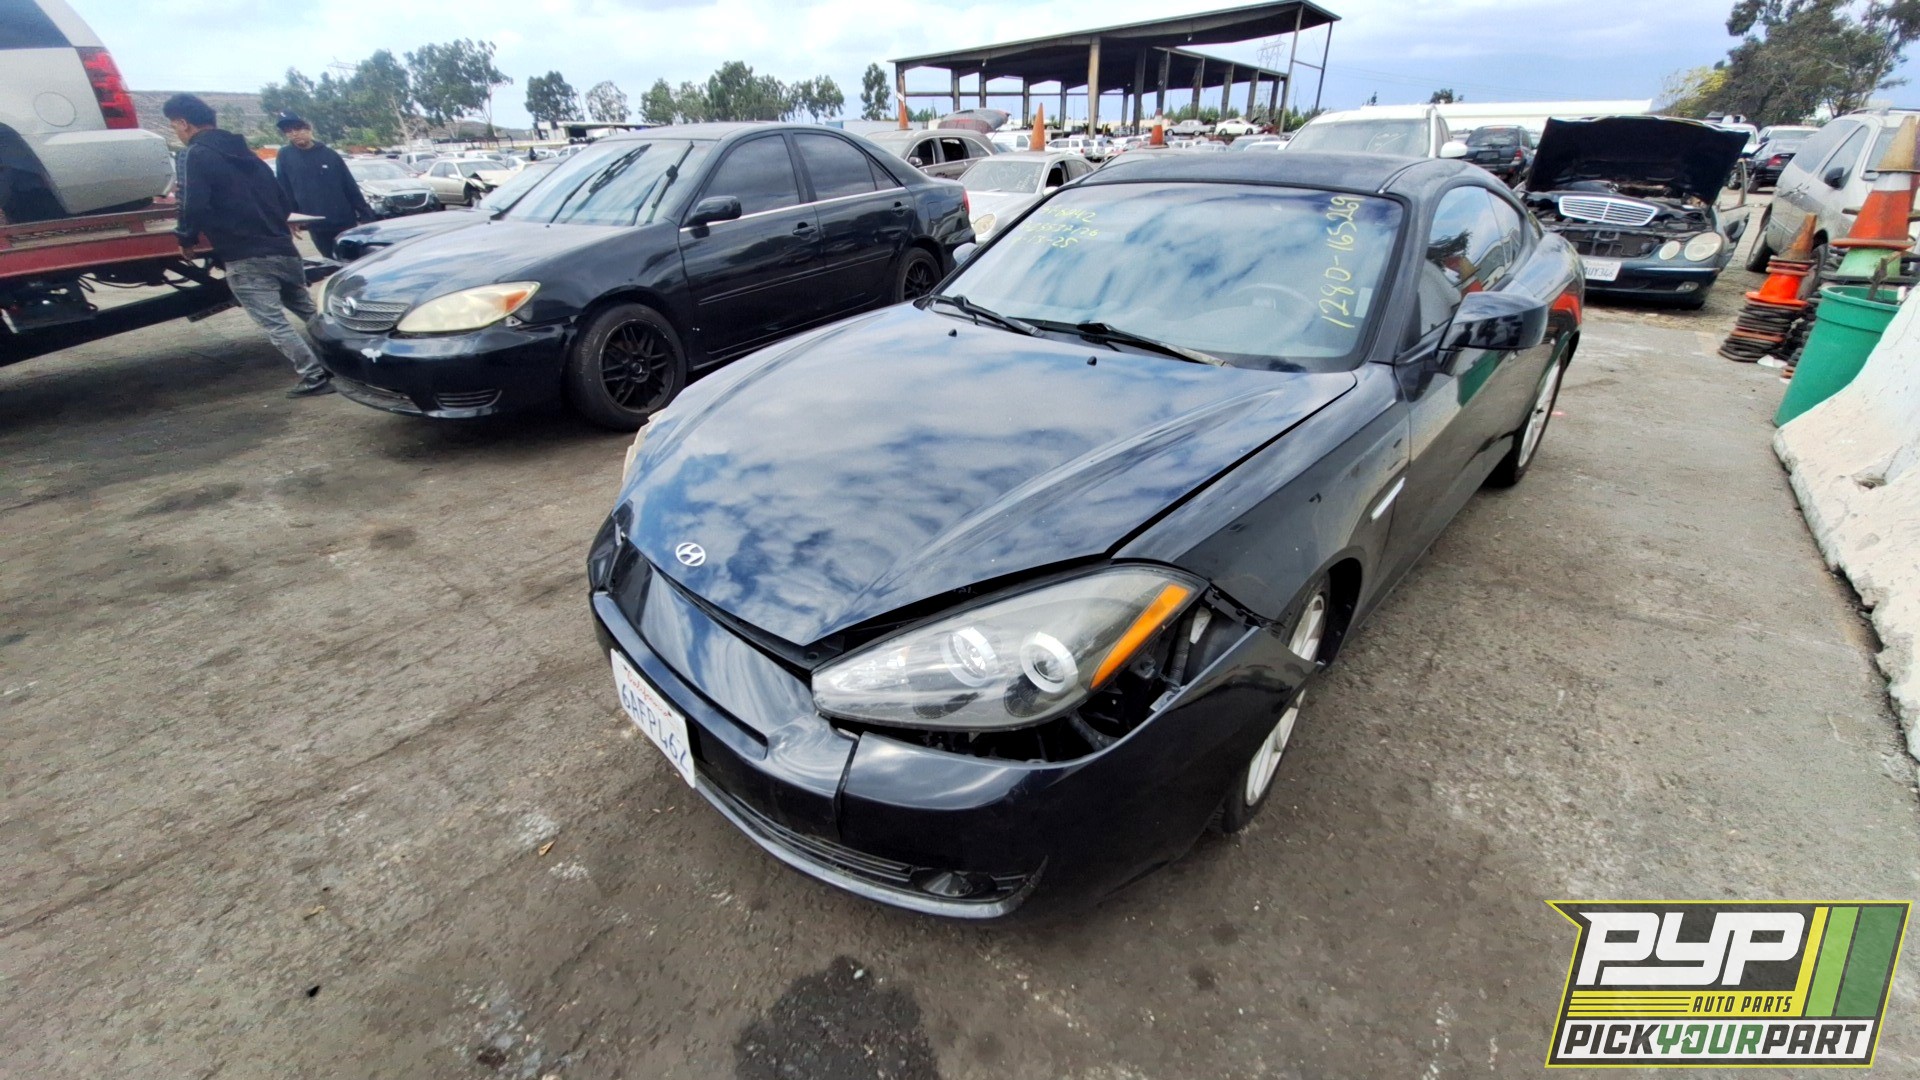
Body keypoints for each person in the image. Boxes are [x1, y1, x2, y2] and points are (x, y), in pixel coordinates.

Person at [164, 94, 333, 398]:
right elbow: (282, 199)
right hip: (283, 249)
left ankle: (315, 376)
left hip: (244, 256)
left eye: (174, 126)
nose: (175, 132)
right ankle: (345, 363)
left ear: (182, 122)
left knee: (274, 323)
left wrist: (186, 237)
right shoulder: (248, 154)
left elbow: (192, 202)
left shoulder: (194, 154)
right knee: (309, 311)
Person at [272, 113, 372, 259]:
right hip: (316, 224)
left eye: (298, 128)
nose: (294, 134)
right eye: (288, 131)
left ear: (308, 129)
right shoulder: (285, 155)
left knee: (353, 260)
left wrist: (366, 215)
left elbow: (349, 185)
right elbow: (284, 188)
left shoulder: (329, 154)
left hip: (343, 220)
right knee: (331, 262)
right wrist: (290, 217)